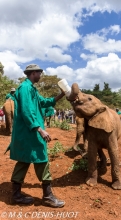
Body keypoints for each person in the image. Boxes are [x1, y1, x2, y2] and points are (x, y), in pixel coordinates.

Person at [6, 64, 65, 207]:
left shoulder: (31, 88)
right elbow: (27, 112)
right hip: (30, 133)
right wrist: (40, 129)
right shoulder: (25, 89)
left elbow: (44, 102)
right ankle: (47, 196)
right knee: (41, 159)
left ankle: (16, 195)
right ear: (33, 73)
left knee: (24, 161)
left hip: (27, 133)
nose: (41, 75)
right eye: (39, 72)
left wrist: (62, 94)